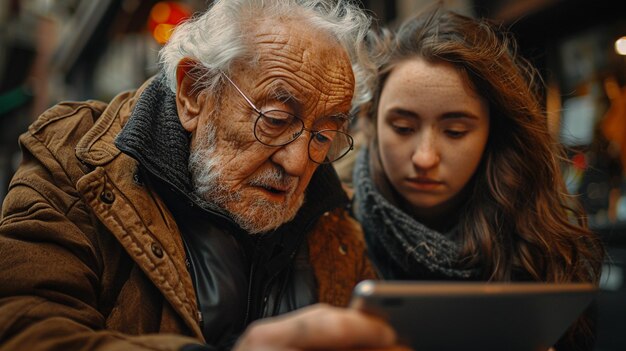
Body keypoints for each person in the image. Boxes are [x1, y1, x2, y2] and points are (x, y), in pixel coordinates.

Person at [0, 1, 404, 350]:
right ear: (193, 93)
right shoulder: (75, 160)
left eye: (323, 136)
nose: (298, 163)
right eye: (276, 120)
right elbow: (23, 326)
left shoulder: (336, 225)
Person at [351, 7, 605, 350]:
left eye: (455, 131)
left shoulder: (538, 245)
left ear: (493, 134)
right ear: (372, 121)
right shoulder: (326, 225)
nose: (424, 157)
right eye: (403, 128)